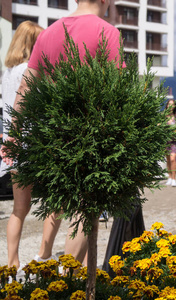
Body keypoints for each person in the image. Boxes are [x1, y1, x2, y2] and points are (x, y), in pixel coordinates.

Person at [2, 0, 123, 265]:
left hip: (54, 137)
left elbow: (26, 87)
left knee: (70, 208)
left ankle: (78, 279)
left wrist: (13, 134)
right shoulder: (108, 32)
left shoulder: (50, 32)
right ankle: (67, 280)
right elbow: (117, 89)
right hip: (92, 134)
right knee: (84, 211)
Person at [1, 21, 63, 270]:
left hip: (14, 144)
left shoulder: (7, 72)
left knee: (19, 208)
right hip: (37, 142)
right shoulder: (32, 70)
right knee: (55, 202)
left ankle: (12, 262)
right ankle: (44, 254)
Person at [165, 99, 176, 187]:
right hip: (166, 141)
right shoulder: (163, 116)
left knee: (173, 159)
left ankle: (174, 179)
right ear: (167, 106)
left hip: (174, 141)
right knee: (168, 159)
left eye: (172, 105)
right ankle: (169, 176)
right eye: (169, 104)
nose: (171, 106)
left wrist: (175, 130)